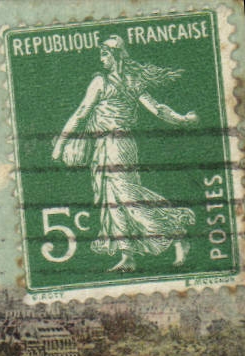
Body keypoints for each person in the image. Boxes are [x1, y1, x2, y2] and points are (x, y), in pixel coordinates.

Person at [51, 35, 199, 273]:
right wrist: (182, 119)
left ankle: (176, 231)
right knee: (112, 200)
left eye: (104, 54)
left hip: (116, 146)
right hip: (108, 146)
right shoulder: (130, 82)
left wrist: (60, 144)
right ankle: (127, 255)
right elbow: (158, 109)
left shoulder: (103, 82)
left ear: (115, 56)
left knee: (127, 197)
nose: (101, 59)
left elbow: (81, 113)